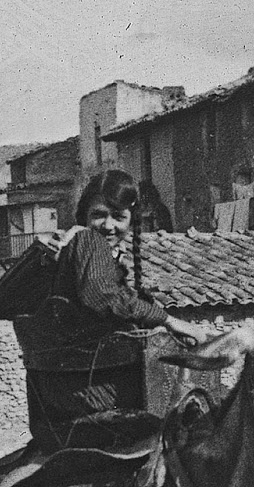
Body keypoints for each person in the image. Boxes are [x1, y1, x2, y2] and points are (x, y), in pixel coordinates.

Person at [21, 169, 208, 451]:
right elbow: (101, 295)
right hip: (94, 389)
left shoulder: (79, 252)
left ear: (132, 221)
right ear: (84, 216)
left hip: (63, 389)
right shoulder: (89, 241)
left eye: (118, 217)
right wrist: (170, 321)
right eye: (99, 214)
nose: (108, 225)